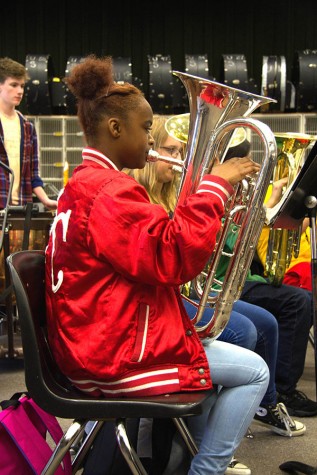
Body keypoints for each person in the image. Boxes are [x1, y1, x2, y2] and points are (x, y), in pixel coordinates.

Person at [45, 55, 270, 475]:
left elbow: (151, 252)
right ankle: (206, 471)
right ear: (116, 129)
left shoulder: (84, 183)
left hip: (100, 339)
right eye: (147, 128)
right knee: (255, 372)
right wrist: (215, 186)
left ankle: (187, 460)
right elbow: (172, 257)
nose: (150, 140)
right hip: (112, 354)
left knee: (233, 355)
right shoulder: (111, 191)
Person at [126, 116, 305, 475]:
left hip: (176, 296)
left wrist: (250, 211)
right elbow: (176, 260)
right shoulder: (138, 198)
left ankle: (251, 414)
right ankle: (205, 444)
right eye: (170, 150)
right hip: (159, 308)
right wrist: (214, 195)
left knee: (267, 321)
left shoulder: (172, 193)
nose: (177, 159)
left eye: (181, 151)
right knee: (242, 332)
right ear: (149, 152)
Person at [216, 136, 317, 418]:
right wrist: (267, 207)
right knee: (297, 301)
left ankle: (277, 392)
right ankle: (280, 391)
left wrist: (271, 205)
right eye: (242, 160)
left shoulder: (242, 194)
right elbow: (228, 247)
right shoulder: (217, 193)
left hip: (244, 278)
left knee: (298, 300)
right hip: (225, 284)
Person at [0, 57, 57, 289]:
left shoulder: (27, 126)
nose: (20, 90)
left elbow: (33, 175)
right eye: (14, 84)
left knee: (14, 279)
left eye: (22, 86)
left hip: (18, 210)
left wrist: (46, 200)